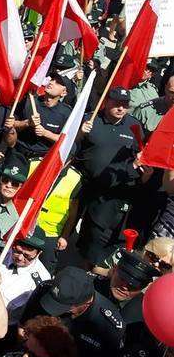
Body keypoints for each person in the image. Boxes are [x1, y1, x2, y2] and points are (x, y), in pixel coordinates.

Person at [20, 266, 125, 357]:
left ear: (85, 303)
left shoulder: (109, 325)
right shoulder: (45, 289)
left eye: (63, 307)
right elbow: (23, 328)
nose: (54, 312)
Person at [76, 87, 144, 264]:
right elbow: (71, 144)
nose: (121, 108)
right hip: (84, 183)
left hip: (110, 191)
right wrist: (80, 133)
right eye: (117, 104)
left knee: (95, 232)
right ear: (106, 102)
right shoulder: (90, 119)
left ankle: (86, 264)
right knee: (72, 221)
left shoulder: (134, 126)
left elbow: (140, 153)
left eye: (125, 105)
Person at [94, 251, 161, 357]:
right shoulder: (90, 286)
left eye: (133, 285)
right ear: (114, 269)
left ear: (144, 286)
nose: (125, 287)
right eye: (122, 278)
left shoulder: (145, 314)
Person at [0, 227, 52, 324]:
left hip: (3, 324)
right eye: (17, 251)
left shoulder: (41, 279)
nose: (20, 258)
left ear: (39, 253)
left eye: (27, 256)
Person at [15, 72, 72, 158]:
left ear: (63, 93)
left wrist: (46, 133)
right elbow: (11, 124)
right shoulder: (29, 101)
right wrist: (27, 123)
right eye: (52, 80)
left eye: (57, 83)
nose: (51, 82)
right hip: (19, 152)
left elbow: (66, 140)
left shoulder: (66, 112)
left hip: (43, 157)